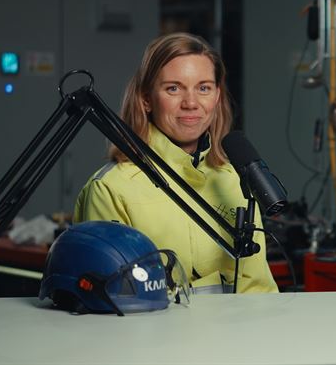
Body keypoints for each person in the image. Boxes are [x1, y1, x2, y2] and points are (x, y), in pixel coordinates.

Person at [74, 32, 278, 294]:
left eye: (203, 88)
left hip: (240, 324)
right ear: (147, 99)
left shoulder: (234, 179)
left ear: (216, 96)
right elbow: (115, 298)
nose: (191, 103)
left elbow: (259, 290)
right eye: (173, 88)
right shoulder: (111, 189)